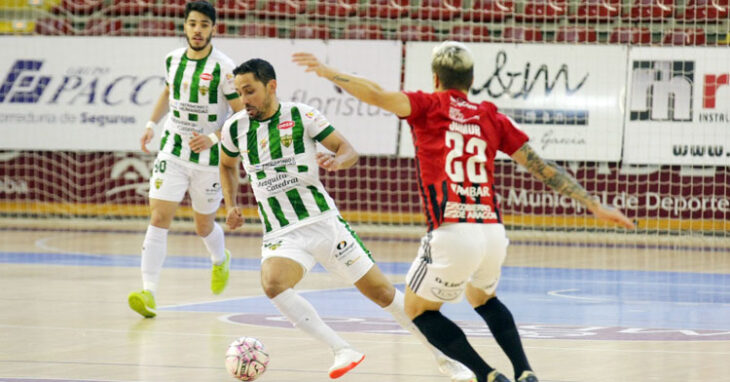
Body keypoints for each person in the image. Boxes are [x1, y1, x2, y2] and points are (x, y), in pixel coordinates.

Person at [293, 42, 635, 382]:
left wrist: (326, 71)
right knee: (482, 297)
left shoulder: (427, 105)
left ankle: (486, 374)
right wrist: (594, 205)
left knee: (417, 311)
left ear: (436, 78)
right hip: (492, 231)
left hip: (453, 231)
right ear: (471, 80)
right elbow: (542, 168)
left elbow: (377, 94)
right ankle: (524, 370)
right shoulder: (490, 116)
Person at [219, 58, 475, 381]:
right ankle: (342, 349)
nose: (245, 100)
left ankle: (446, 357)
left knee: (383, 294)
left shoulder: (302, 116)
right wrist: (230, 203)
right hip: (282, 233)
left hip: (323, 224)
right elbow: (226, 165)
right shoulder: (235, 128)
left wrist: (339, 161)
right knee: (273, 283)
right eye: (240, 93)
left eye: (250, 91)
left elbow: (347, 149)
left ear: (271, 86)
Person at [128, 1, 244, 319]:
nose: (197, 30)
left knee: (203, 226)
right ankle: (148, 291)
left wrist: (214, 137)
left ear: (213, 29)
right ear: (184, 26)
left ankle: (220, 259)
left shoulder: (224, 67)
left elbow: (241, 114)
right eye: (192, 23)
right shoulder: (173, 60)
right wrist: (152, 124)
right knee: (158, 218)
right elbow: (168, 93)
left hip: (208, 159)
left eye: (204, 25)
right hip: (173, 150)